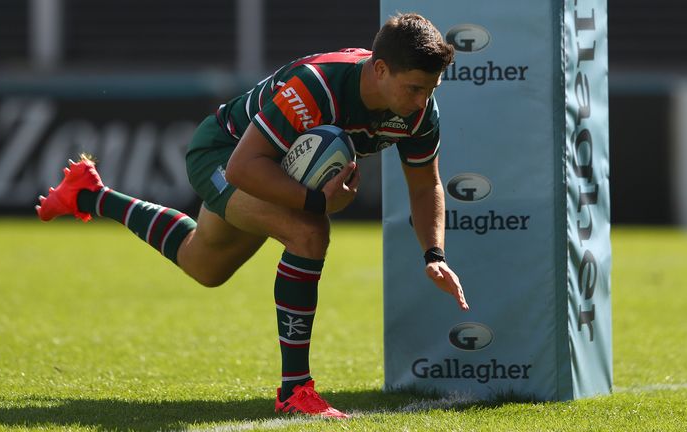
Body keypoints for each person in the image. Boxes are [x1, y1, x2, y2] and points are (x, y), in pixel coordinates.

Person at [36, 12, 469, 419]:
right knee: (309, 232)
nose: (421, 100)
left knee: (203, 264)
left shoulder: (419, 114)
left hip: (273, 169)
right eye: (414, 88)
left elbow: (424, 184)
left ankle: (91, 194)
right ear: (380, 70)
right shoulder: (318, 86)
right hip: (223, 154)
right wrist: (317, 203)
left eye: (430, 89)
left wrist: (434, 254)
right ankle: (295, 391)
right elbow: (244, 168)